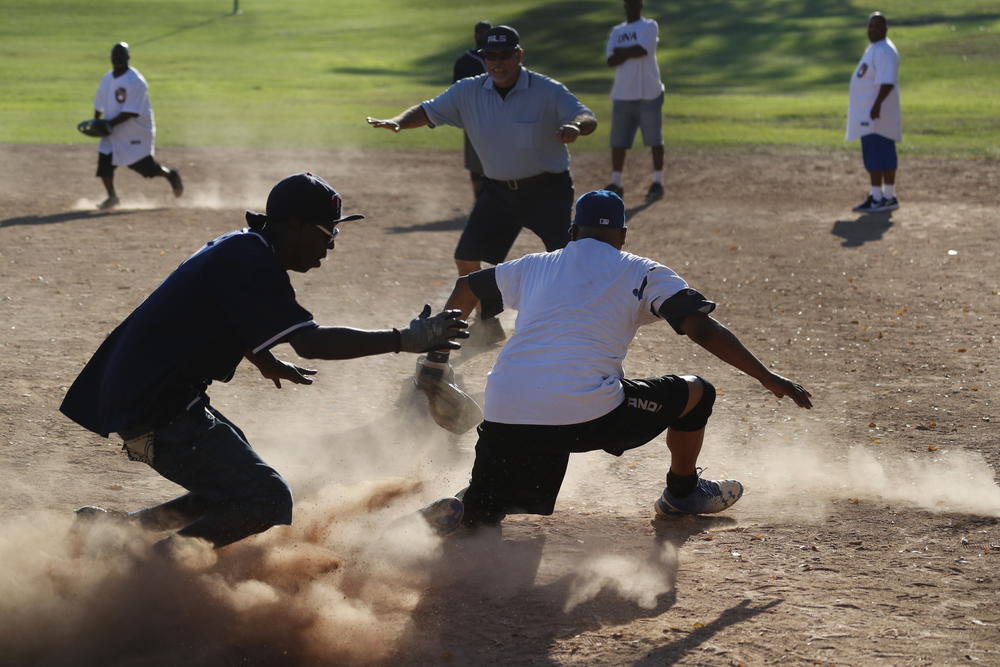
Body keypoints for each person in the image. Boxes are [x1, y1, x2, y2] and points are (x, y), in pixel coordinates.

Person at [60, 173, 468, 551]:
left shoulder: (245, 249)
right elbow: (312, 343)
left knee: (235, 483)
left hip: (154, 396)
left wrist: (261, 356)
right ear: (294, 226)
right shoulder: (250, 261)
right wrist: (406, 339)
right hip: (155, 407)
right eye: (329, 230)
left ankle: (120, 532)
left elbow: (221, 314)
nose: (332, 242)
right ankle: (138, 577)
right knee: (267, 497)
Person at [419, 190, 812, 534]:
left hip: (506, 410)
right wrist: (766, 375)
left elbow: (466, 286)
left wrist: (437, 359)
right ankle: (683, 493)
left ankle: (460, 512)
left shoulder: (534, 264)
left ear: (573, 232)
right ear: (622, 236)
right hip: (588, 415)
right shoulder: (643, 270)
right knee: (696, 392)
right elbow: (702, 328)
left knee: (485, 511)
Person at [366, 25, 597, 336]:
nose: (496, 63)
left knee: (566, 258)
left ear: (519, 55)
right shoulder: (467, 91)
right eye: (490, 56)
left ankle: (581, 324)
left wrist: (575, 127)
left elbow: (587, 116)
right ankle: (488, 316)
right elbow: (428, 111)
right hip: (499, 191)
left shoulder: (547, 90)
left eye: (504, 56)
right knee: (466, 257)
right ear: (483, 58)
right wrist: (397, 123)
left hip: (547, 191)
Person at [91, 42, 184, 211]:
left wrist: (107, 124)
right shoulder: (107, 78)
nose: (117, 60)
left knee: (144, 168)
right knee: (104, 164)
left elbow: (131, 112)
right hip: (112, 130)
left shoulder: (136, 81)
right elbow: (99, 104)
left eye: (120, 57)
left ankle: (170, 174)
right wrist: (96, 123)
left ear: (128, 58)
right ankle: (112, 197)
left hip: (135, 131)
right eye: (115, 57)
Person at [604, 0, 666, 203]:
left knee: (654, 140)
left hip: (649, 92)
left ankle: (657, 181)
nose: (632, 5)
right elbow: (610, 60)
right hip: (622, 93)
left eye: (635, 2)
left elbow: (642, 50)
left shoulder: (649, 25)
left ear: (641, 5)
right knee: (618, 143)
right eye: (629, 2)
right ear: (624, 5)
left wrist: (622, 52)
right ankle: (616, 182)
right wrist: (627, 51)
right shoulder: (616, 31)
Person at [846, 12, 901, 213]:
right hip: (872, 113)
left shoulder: (885, 50)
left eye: (877, 26)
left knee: (879, 155)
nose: (873, 30)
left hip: (877, 114)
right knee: (879, 154)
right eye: (870, 26)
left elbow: (887, 82)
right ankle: (886, 196)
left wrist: (876, 105)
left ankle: (880, 198)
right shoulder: (875, 48)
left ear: (886, 29)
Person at [452, 20, 492, 199]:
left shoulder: (465, 61)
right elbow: (455, 94)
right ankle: (482, 200)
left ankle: (485, 199)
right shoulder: (464, 62)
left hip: (482, 118)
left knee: (485, 161)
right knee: (479, 162)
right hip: (475, 119)